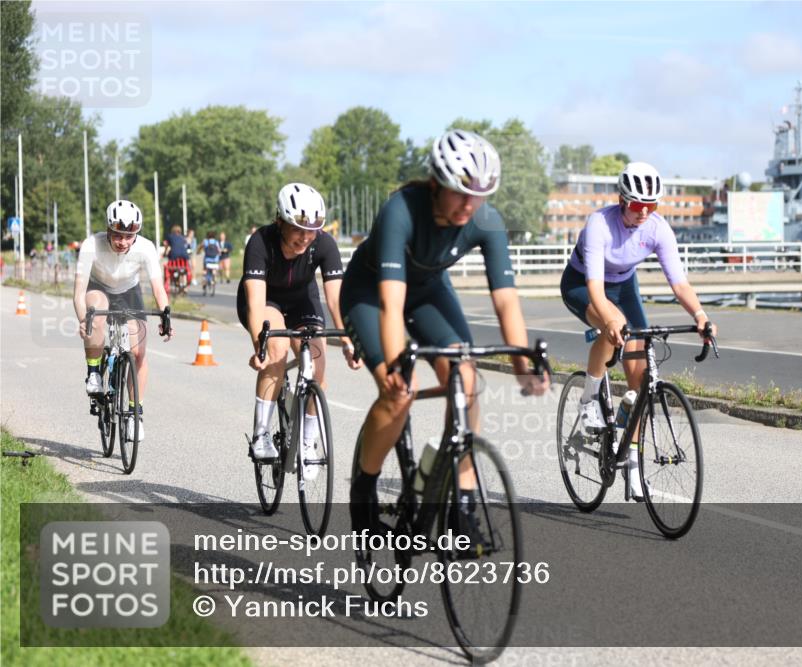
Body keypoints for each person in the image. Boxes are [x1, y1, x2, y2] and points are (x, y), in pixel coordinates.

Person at [340, 129, 549, 537]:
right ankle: (363, 490)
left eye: (481, 194)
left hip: (430, 291)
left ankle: (462, 505)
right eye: (460, 193)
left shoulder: (486, 220)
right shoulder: (400, 210)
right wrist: (398, 364)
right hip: (372, 294)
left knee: (466, 380)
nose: (470, 205)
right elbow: (392, 303)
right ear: (436, 184)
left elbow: (506, 301)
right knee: (399, 390)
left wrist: (523, 363)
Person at [560, 161, 716, 500]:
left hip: (625, 287)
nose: (644, 212)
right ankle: (589, 397)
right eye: (637, 205)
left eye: (651, 205)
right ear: (621, 200)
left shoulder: (658, 229)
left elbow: (679, 284)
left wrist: (701, 316)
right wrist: (612, 322)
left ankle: (631, 461)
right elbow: (597, 293)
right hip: (583, 286)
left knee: (639, 380)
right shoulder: (600, 224)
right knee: (612, 326)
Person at [239, 183, 361, 476]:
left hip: (302, 301)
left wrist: (348, 340)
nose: (305, 238)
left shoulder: (324, 244)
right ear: (280, 221)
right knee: (278, 349)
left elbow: (335, 298)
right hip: (265, 300)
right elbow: (255, 302)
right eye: (297, 229)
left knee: (317, 366)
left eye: (312, 230)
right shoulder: (260, 242)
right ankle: (261, 433)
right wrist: (261, 346)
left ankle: (307, 442)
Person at [74, 200, 173, 442]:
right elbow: (78, 292)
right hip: (98, 288)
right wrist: (82, 320)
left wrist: (165, 314)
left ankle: (134, 414)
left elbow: (158, 287)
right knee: (96, 313)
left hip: (129, 293)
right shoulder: (91, 245)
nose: (123, 242)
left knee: (138, 354)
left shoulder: (146, 247)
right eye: (118, 235)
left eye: (129, 236)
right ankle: (94, 372)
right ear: (108, 230)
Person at [162, 225, 191, 290]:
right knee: (184, 269)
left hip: (174, 256)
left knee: (170, 268)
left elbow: (166, 245)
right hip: (184, 256)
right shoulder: (182, 237)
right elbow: (186, 246)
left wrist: (165, 253)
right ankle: (185, 287)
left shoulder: (170, 236)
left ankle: (172, 282)